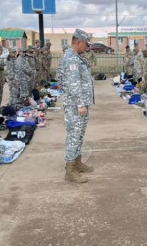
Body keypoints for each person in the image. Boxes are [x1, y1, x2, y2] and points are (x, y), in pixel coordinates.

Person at [57, 28, 94, 183]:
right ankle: (70, 170)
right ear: (78, 42)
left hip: (81, 103)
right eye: (86, 44)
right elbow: (73, 84)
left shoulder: (77, 57)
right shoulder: (71, 58)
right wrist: (80, 104)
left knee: (79, 134)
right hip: (76, 105)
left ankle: (77, 162)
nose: (88, 47)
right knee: (74, 135)